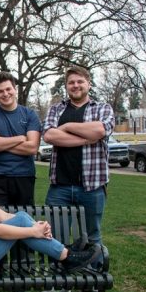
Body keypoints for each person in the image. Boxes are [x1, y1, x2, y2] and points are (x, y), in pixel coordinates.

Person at [0, 139, 101, 275]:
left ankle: (65, 253)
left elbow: (3, 217)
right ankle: (67, 256)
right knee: (21, 220)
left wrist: (36, 226)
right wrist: (32, 231)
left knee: (22, 217)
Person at [42, 66, 114, 251]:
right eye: (71, 82)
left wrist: (66, 127)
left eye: (80, 81)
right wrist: (87, 138)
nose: (76, 85)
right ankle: (59, 275)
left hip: (92, 187)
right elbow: (49, 136)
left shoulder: (102, 108)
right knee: (57, 236)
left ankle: (93, 274)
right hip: (60, 186)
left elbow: (100, 130)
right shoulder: (56, 109)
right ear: (66, 86)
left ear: (88, 84)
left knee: (92, 236)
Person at [0, 71, 41, 206]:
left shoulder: (30, 114)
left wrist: (0, 141)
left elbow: (32, 148)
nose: (5, 94)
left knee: (24, 221)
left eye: (8, 89)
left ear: (15, 89)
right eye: (0, 91)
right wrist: (20, 138)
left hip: (24, 175)